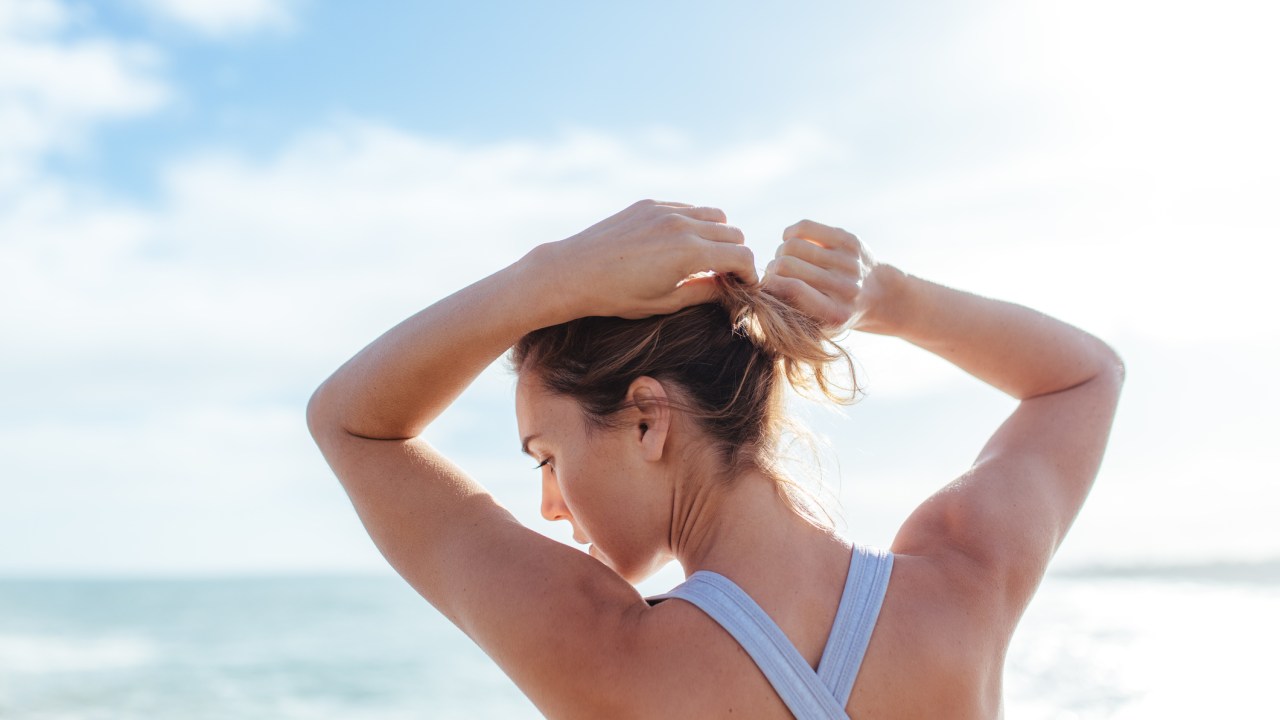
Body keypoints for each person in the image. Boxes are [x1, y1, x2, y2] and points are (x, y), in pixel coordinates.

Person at [307, 199, 1125, 719]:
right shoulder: (963, 585)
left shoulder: (605, 654)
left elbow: (350, 422)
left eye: (547, 457)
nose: (551, 505)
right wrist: (888, 299)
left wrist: (545, 279)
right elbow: (1083, 377)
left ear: (646, 421)